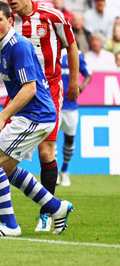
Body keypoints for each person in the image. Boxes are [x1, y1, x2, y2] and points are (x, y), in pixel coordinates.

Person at [0, 0, 80, 233]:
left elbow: (72, 45)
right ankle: (37, 208)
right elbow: (11, 59)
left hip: (45, 89)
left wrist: (74, 82)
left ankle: (43, 214)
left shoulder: (51, 16)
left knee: (38, 153)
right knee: (3, 160)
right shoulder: (6, 22)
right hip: (20, 89)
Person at [57, 49, 92, 186]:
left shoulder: (75, 53)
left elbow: (88, 74)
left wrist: (81, 87)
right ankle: (54, 173)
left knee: (69, 139)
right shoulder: (49, 49)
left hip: (71, 106)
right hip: (54, 105)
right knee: (50, 139)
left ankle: (64, 170)